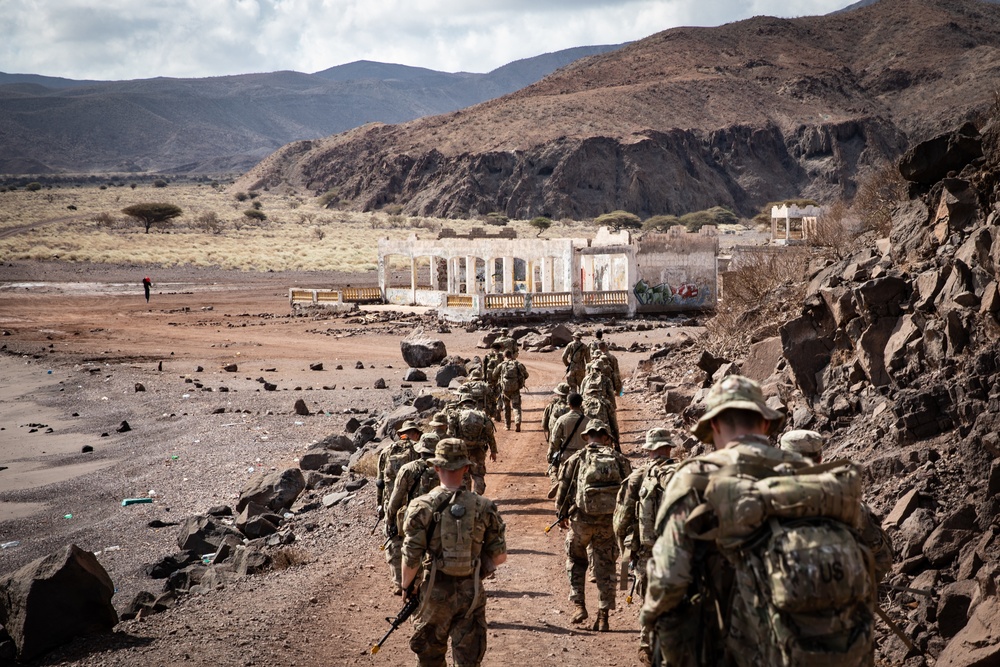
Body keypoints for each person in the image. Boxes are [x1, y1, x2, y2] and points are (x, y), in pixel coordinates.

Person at [641, 375, 891, 667]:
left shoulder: (697, 479)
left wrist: (655, 629)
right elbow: (876, 562)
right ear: (764, 423)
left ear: (714, 426)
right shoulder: (815, 478)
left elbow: (668, 580)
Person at [400, 438, 507, 667]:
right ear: (466, 468)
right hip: (471, 592)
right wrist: (475, 568)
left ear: (437, 467)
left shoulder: (421, 505)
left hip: (433, 592)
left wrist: (407, 587)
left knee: (430, 658)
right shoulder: (484, 506)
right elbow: (499, 556)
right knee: (469, 660)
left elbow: (411, 557)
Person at [554, 420, 631, 631]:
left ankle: (579, 605)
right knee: (606, 567)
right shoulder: (620, 460)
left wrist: (561, 513)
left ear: (587, 436)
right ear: (607, 438)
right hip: (609, 522)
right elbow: (629, 492)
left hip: (582, 521)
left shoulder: (577, 459)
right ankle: (603, 616)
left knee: (575, 559)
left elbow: (564, 488)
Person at [613, 428, 677, 666]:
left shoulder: (639, 476)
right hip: (678, 549)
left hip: (648, 552)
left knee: (649, 597)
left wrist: (624, 550)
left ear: (649, 449)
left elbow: (622, 519)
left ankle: (646, 644)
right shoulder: (686, 474)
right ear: (669, 448)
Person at [376, 420, 423, 594]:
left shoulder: (386, 451)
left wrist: (380, 506)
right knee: (416, 542)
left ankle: (398, 582)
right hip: (417, 505)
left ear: (402, 433)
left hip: (393, 505)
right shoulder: (419, 450)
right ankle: (416, 580)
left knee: (393, 541)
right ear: (416, 433)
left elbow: (380, 482)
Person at [448, 394, 497, 494]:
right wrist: (493, 451)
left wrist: (450, 452)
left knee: (464, 476)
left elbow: (450, 433)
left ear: (462, 403)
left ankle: (467, 499)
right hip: (478, 450)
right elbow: (490, 434)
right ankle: (477, 496)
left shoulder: (457, 415)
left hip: (461, 450)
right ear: (473, 403)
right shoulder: (482, 415)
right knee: (478, 475)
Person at [547, 392, 590, 495]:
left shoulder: (562, 420)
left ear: (569, 404)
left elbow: (555, 440)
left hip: (566, 456)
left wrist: (552, 453)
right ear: (581, 404)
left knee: (554, 469)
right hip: (584, 456)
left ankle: (555, 483)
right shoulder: (589, 421)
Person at [493, 349, 528, 431]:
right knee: (516, 406)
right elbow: (526, 375)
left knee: (506, 407)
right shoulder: (517, 364)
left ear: (504, 356)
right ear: (511, 355)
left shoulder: (502, 364)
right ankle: (517, 421)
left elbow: (494, 375)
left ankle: (507, 425)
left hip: (505, 390)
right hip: (515, 389)